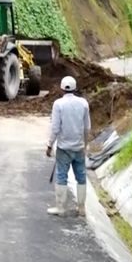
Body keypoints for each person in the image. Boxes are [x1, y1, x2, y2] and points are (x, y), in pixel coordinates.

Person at [46, 76, 91, 216]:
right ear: (75, 88)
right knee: (81, 177)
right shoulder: (83, 103)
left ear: (61, 88)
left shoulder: (58, 104)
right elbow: (87, 127)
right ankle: (82, 208)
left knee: (61, 176)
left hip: (63, 148)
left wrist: (49, 145)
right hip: (79, 147)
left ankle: (60, 208)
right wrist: (85, 144)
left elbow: (55, 128)